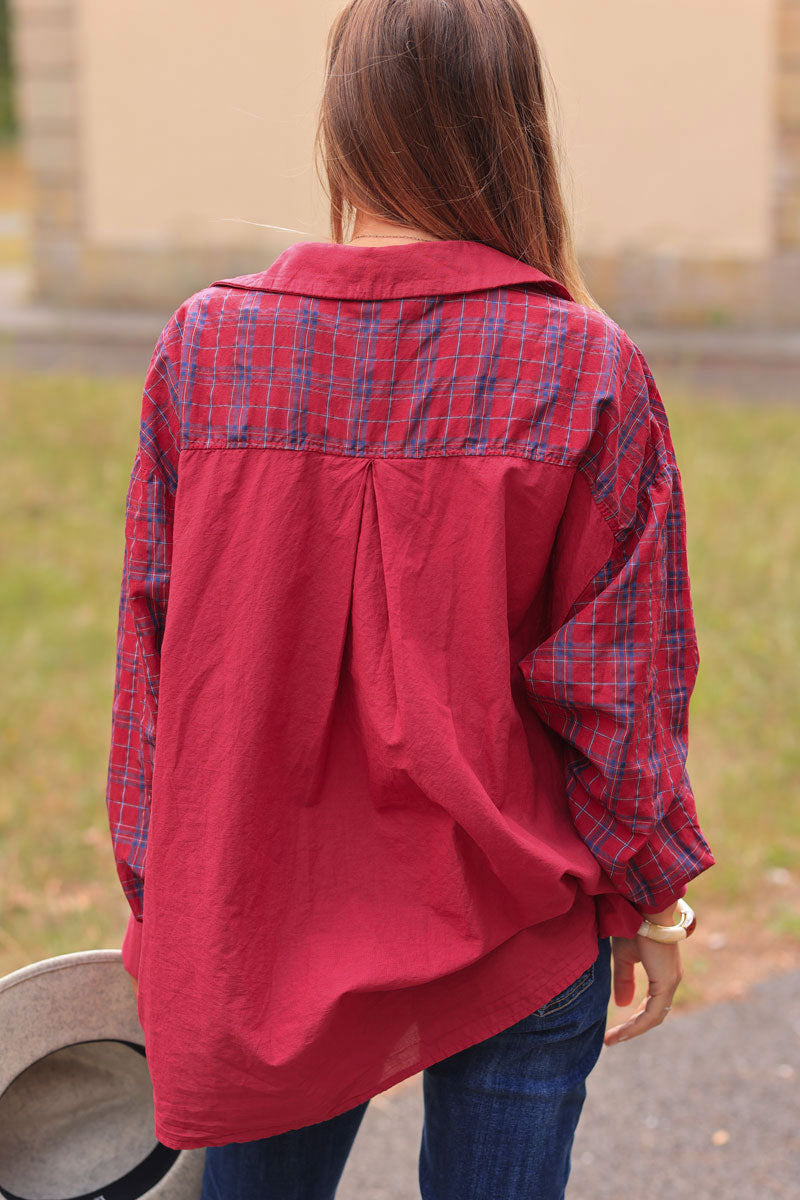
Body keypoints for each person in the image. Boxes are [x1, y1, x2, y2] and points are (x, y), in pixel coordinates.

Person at [106, 0, 716, 1196]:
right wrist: (650, 893)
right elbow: (619, 684)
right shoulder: (584, 368)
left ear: (342, 121)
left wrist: (161, 897)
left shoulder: (205, 347)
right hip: (512, 908)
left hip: (256, 924)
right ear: (516, 123)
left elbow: (157, 668)